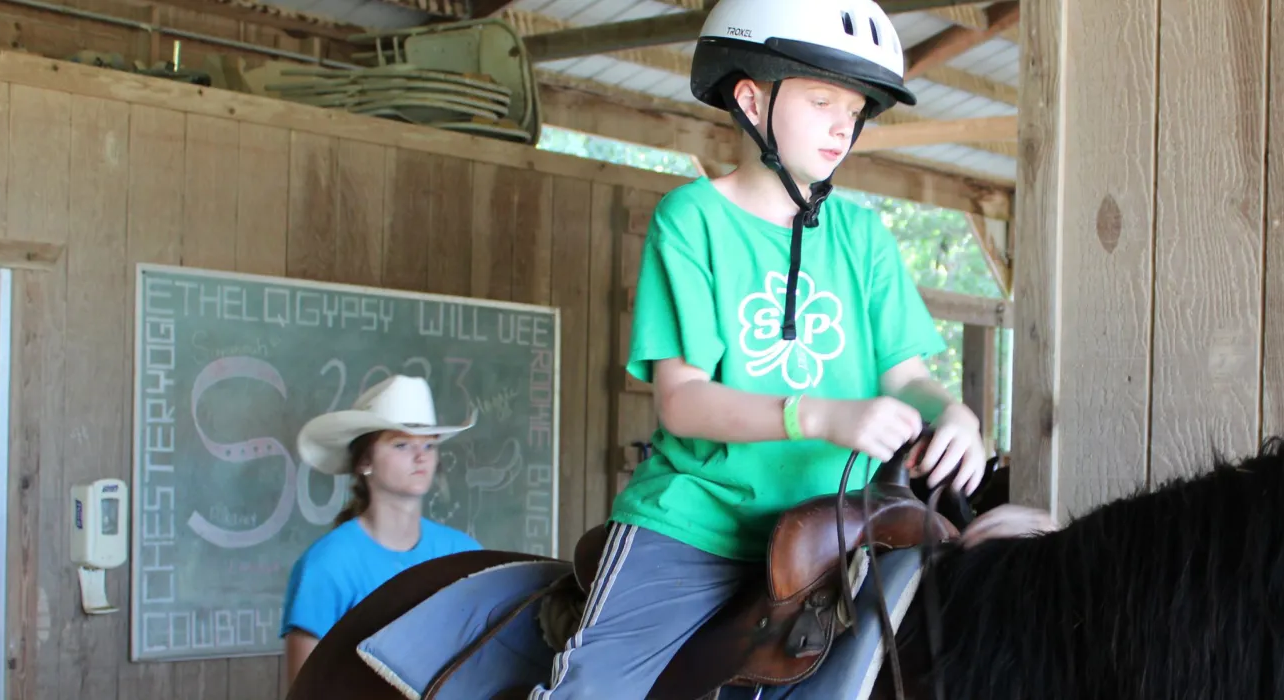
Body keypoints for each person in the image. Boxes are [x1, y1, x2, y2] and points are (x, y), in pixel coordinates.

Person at [527, 0, 1035, 697]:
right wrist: (820, 417)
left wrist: (957, 415)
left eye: (855, 108)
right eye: (822, 98)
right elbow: (683, 400)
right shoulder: (692, 219)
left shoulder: (865, 235)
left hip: (843, 525)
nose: (842, 125)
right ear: (751, 98)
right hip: (697, 525)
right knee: (591, 690)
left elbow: (907, 374)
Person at [278, 374, 484, 686]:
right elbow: (304, 690)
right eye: (401, 444)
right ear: (364, 461)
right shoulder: (327, 565)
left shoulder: (464, 554)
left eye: (429, 444)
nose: (420, 456)